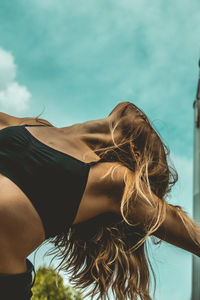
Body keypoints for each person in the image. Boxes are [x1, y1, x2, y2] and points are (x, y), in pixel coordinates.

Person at [0, 101, 199, 300]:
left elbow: (190, 235)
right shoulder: (36, 124)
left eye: (152, 136)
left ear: (135, 152)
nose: (144, 116)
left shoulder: (113, 180)